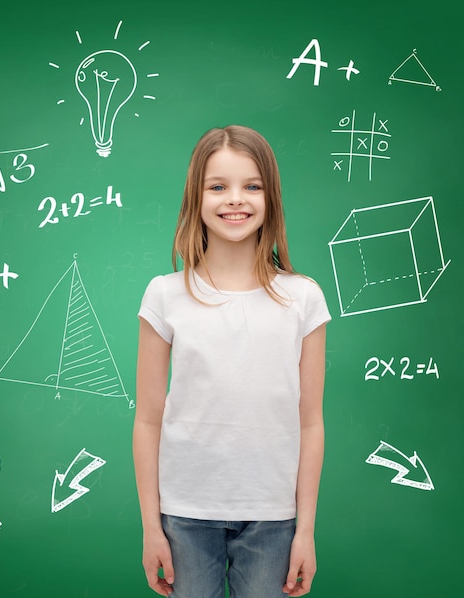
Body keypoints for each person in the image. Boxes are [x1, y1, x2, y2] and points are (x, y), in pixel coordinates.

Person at [133, 125, 331, 598]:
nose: (235, 200)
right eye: (218, 186)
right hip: (183, 514)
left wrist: (305, 530)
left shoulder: (302, 298)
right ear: (195, 198)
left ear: (270, 197)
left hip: (273, 518)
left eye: (252, 186)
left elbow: (310, 423)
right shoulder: (166, 294)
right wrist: (151, 528)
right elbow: (147, 419)